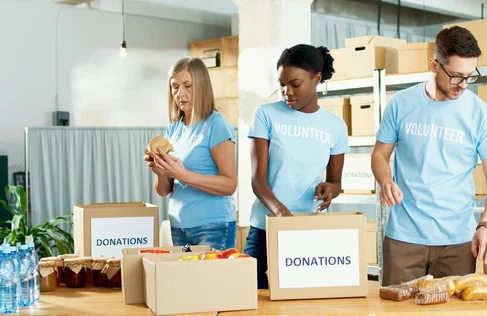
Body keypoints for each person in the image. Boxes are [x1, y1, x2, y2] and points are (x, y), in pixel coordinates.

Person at [371, 26, 487, 285]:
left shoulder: (482, 115)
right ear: (434, 65)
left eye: (470, 76)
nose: (463, 85)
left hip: (458, 241)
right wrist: (386, 180)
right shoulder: (401, 103)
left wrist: (486, 225)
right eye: (456, 76)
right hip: (403, 239)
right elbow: (379, 154)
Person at [245, 44, 350, 289]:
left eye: (295, 83)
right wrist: (282, 215)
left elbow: (336, 182)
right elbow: (257, 180)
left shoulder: (335, 126)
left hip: (309, 229)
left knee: (304, 302)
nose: (287, 92)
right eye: (282, 84)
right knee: (249, 296)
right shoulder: (265, 115)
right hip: (265, 227)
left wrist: (330, 190)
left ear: (316, 79)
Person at [144, 57, 238, 251]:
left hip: (213, 226)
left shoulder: (216, 124)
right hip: (179, 226)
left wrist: (183, 174)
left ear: (202, 86)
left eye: (188, 85)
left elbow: (230, 184)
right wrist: (160, 170)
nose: (180, 93)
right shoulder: (174, 129)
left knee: (210, 282)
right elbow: (163, 190)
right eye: (175, 87)